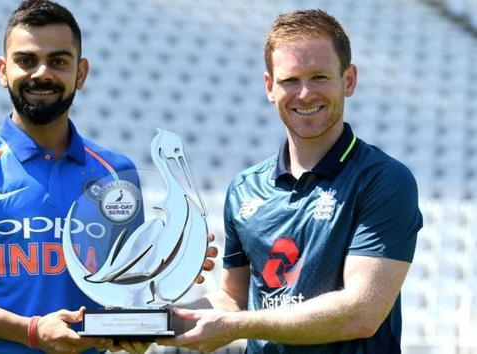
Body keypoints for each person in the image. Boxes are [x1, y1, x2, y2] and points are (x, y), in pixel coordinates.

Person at [0, 1, 214, 353]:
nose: (41, 73)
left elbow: (128, 292)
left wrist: (174, 261)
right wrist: (31, 331)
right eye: (26, 60)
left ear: (80, 73)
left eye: (58, 61)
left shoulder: (117, 173)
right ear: (2, 70)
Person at [158, 9, 423, 354]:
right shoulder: (244, 188)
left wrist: (239, 325)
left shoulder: (383, 179)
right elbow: (233, 299)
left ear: (349, 80)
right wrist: (149, 323)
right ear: (269, 87)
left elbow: (362, 313)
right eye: (290, 80)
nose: (304, 94)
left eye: (319, 77)